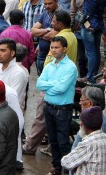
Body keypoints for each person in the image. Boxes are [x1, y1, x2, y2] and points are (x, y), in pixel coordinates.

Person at [37, 36, 78, 175]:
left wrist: (48, 87)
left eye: (57, 47)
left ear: (64, 49)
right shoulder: (49, 65)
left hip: (63, 110)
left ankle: (67, 170)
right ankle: (56, 168)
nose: (53, 50)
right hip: (49, 107)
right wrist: (53, 85)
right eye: (52, 47)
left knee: (63, 143)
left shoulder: (71, 68)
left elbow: (61, 89)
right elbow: (39, 84)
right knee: (53, 141)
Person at [72, 0, 106, 82]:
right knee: (97, 50)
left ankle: (90, 76)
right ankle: (94, 74)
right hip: (99, 23)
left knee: (90, 52)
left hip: (88, 24)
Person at [61, 106, 106, 175]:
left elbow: (66, 162)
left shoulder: (88, 143)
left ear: (84, 125)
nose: (80, 124)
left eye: (82, 121)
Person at [0, 38, 29, 109]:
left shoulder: (18, 73)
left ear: (12, 53)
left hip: (10, 112)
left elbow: (12, 99)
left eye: (3, 51)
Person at [31, 0, 59, 73]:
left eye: (50, 3)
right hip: (41, 55)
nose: (47, 6)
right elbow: (33, 31)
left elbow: (52, 36)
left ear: (56, 1)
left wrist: (40, 34)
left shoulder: (60, 14)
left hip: (53, 57)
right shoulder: (45, 13)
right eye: (45, 4)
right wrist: (47, 30)